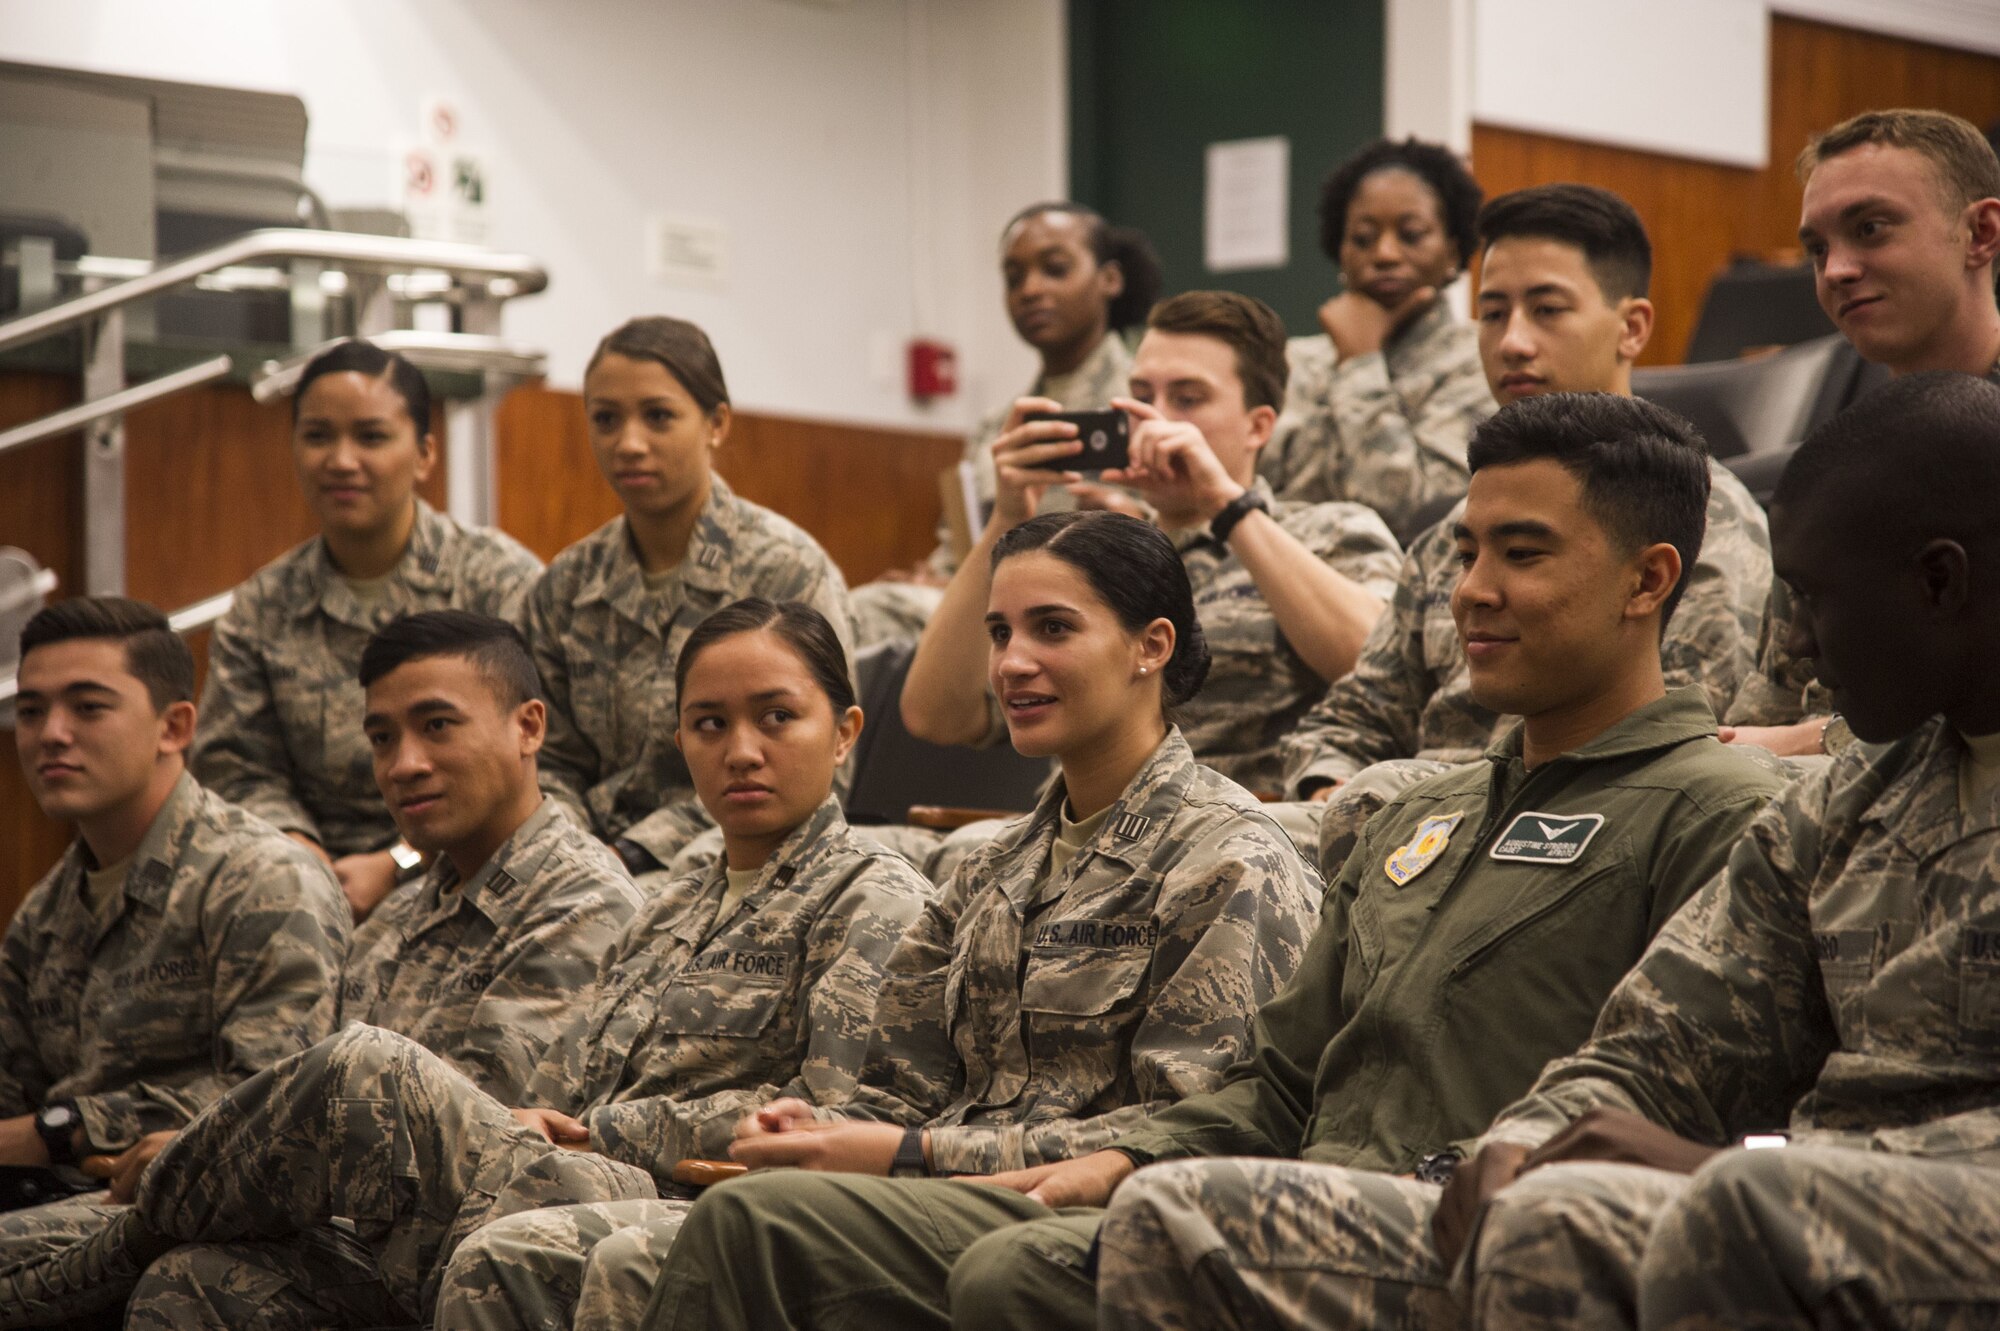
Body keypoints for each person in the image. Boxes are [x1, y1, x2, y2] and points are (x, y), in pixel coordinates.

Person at [893, 389, 1788, 1331]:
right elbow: (1280, 1084)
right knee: (845, 1231)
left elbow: (1686, 1123)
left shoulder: (1721, 811)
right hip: (1302, 1214)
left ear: (1647, 581)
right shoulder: (1415, 816)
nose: (1471, 590)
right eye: (1465, 552)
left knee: (1029, 1271)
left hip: (1491, 1243)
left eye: (1521, 554)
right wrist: (1132, 1154)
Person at [1229, 371, 2000, 1331]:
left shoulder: (1725, 801)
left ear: (1941, 581)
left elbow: (1769, 1155)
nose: (1792, 652)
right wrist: (1524, 1143)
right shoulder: (1849, 801)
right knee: (1210, 1221)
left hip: (1857, 1202)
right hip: (1794, 1204)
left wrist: (1755, 1168)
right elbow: (1659, 1043)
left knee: (1670, 1212)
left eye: (1809, 599)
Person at [611, 503, 1495, 1331]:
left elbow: (1194, 1135)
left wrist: (912, 1152)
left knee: (747, 1223)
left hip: (1087, 1213)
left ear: (1152, 646)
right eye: (1000, 632)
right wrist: (817, 1126)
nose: (1010, 663)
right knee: (708, 1219)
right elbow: (895, 1079)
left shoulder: (1232, 859)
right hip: (945, 1190)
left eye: (1053, 629)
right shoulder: (987, 864)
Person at [0, 600, 927, 1331]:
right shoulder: (680, 896)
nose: (742, 749)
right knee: (199, 1280)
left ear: (845, 731)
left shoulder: (868, 892)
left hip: (677, 1198)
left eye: (777, 717)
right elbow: (561, 1088)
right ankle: (138, 1227)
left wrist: (610, 1128)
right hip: (520, 1175)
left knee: (369, 1067)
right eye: (708, 723)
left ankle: (125, 1221)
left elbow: (825, 1127)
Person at [0, 610, 644, 1327]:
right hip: (343, 1238)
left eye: (437, 726)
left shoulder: (583, 903)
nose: (403, 763)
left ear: (528, 727)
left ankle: (133, 1231)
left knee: (145, 1260)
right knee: (191, 1279)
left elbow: (461, 1143)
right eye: (381, 737)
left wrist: (203, 1156)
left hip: (472, 1251)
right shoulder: (397, 921)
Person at [1279, 184, 1773, 865]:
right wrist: (1328, 785)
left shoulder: (1702, 519)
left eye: (1546, 310)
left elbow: (1662, 741)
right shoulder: (1460, 523)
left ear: (1631, 327)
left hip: (1558, 840)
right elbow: (1354, 714)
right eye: (1492, 313)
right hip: (1390, 834)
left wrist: (1372, 800)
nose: (1512, 342)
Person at [903, 291, 1403, 798]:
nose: (1155, 419)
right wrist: (1007, 517)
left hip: (1243, 839)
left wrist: (1226, 508)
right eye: (1141, 396)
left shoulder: (1330, 532)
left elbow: (1384, 667)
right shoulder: (1090, 557)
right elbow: (936, 717)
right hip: (1086, 835)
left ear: (1258, 427)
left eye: (1187, 399)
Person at [0, 598, 350, 1293]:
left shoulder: (261, 876)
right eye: (32, 710)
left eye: (88, 707)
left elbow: (273, 1105)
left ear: (175, 726)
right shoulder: (46, 910)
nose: (51, 735)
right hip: (57, 1202)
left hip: (204, 1219)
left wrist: (60, 1128)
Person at [191, 339, 543, 922]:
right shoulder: (263, 606)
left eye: (371, 437)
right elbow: (236, 766)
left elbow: (541, 757)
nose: (341, 460)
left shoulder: (499, 583)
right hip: (297, 889)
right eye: (318, 436)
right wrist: (296, 855)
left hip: (477, 874)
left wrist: (402, 860)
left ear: (425, 454)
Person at [523, 317, 856, 874]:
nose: (628, 444)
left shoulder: (783, 570)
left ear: (716, 423)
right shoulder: (566, 587)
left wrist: (630, 854)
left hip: (746, 861)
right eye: (605, 420)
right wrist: (577, 858)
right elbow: (544, 758)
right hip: (579, 867)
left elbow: (820, 770)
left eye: (658, 417)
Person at [1724, 108, 2000, 758]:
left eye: (1870, 229)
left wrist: (1810, 741)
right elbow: (1774, 696)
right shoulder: (1847, 463)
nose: (1836, 269)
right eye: (1817, 249)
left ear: (1980, 233)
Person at [850, 202, 1161, 647]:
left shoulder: (1151, 404)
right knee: (867, 612)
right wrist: (939, 581)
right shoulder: (996, 428)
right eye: (1014, 278)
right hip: (990, 611)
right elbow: (958, 549)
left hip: (1100, 616)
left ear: (1109, 279)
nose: (1030, 289)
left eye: (1055, 269)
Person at [1261, 136, 1497, 540]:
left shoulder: (1484, 359)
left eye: (1411, 234)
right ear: (1341, 252)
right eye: (1363, 238)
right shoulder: (1291, 360)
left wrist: (1360, 363)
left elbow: (1411, 514)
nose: (1385, 254)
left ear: (1454, 252)